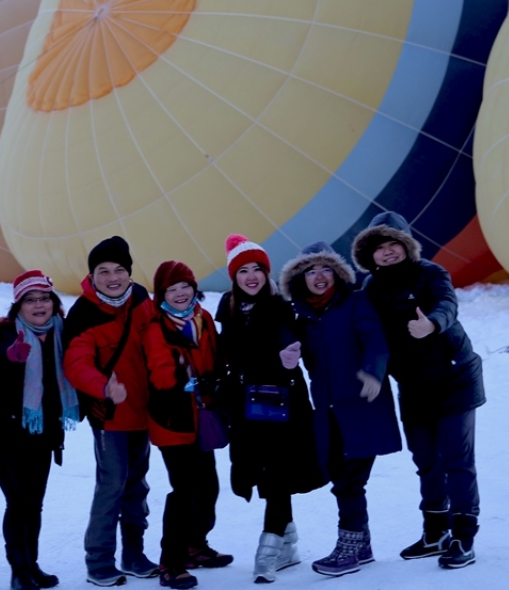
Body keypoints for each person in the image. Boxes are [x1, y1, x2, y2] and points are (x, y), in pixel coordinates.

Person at [352, 211, 486, 569]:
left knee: (456, 459)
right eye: (379, 247)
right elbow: (369, 334)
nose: (388, 252)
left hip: (454, 378)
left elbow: (447, 304)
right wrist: (372, 372)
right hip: (412, 384)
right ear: (369, 254)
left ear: (406, 245)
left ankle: (463, 535)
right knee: (426, 460)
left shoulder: (431, 272)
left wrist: (433, 324)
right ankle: (435, 531)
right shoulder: (371, 288)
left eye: (394, 243)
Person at [279, 241, 400, 578]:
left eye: (326, 269)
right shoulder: (301, 315)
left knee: (350, 481)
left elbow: (376, 341)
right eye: (311, 271)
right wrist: (286, 352)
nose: (319, 276)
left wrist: (373, 372)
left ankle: (349, 548)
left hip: (362, 407)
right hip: (327, 411)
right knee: (338, 475)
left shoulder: (356, 302)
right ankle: (362, 544)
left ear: (337, 273)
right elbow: (286, 340)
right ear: (301, 278)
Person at [213, 235, 324, 584]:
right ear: (234, 276)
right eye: (243, 270)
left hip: (280, 403)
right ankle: (288, 543)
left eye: (257, 269)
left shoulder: (278, 305)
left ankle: (269, 547)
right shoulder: (229, 309)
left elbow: (286, 334)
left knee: (278, 472)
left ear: (266, 272)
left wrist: (287, 354)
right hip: (244, 406)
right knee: (264, 473)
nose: (251, 277)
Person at [62, 236, 160, 587]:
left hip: (143, 412)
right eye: (103, 271)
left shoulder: (142, 300)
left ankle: (133, 554)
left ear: (129, 273)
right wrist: (104, 387)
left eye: (119, 269)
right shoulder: (83, 314)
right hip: (110, 416)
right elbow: (76, 363)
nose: (112, 277)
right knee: (112, 487)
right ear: (92, 275)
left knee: (137, 486)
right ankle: (99, 561)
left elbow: (159, 341)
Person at [0, 270, 80, 590]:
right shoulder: (4, 332)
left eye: (44, 298)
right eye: (30, 300)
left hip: (43, 432)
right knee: (18, 500)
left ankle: (31, 564)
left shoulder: (62, 332)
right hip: (4, 432)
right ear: (18, 305)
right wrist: (10, 359)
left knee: (34, 502)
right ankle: (19, 570)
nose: (39, 305)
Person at [142, 261, 229, 589]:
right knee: (184, 490)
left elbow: (216, 360)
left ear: (194, 289)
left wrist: (214, 381)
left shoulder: (202, 318)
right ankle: (171, 561)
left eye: (185, 287)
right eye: (172, 289)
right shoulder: (156, 327)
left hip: (202, 416)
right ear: (161, 294)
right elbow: (162, 377)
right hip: (173, 421)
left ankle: (195, 544)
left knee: (208, 486)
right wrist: (191, 379)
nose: (180, 293)